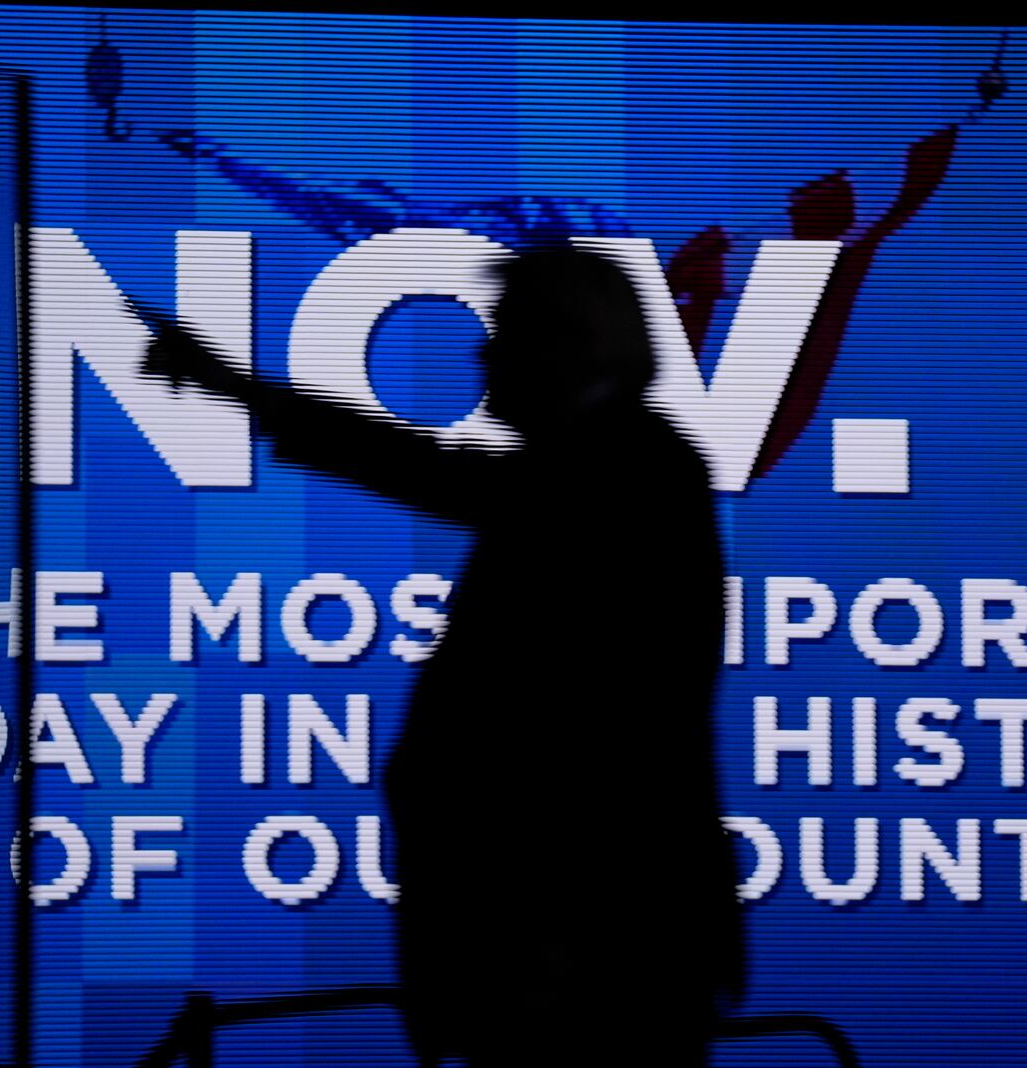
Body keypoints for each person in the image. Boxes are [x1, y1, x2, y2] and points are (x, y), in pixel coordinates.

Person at [137, 248, 743, 1068]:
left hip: (582, 966)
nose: (482, 354)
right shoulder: (600, 468)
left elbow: (603, 747)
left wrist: (540, 959)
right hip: (558, 961)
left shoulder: (625, 471)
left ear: (567, 343)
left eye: (506, 331)